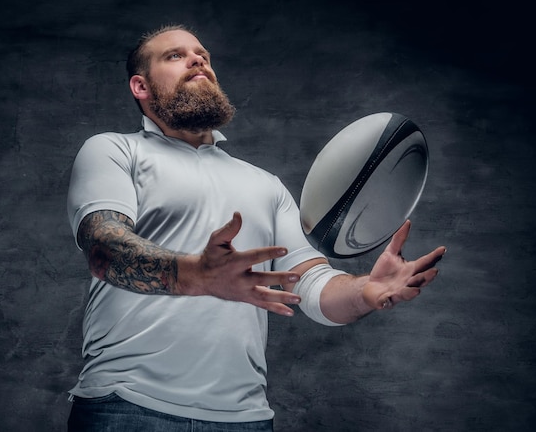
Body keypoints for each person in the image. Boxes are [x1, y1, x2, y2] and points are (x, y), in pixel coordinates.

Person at [66, 24, 446, 431]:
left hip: (244, 418)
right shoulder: (115, 150)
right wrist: (198, 275)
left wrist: (366, 291)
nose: (198, 59)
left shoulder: (265, 184)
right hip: (125, 406)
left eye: (203, 55)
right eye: (174, 55)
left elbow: (311, 285)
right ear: (140, 86)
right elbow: (104, 248)